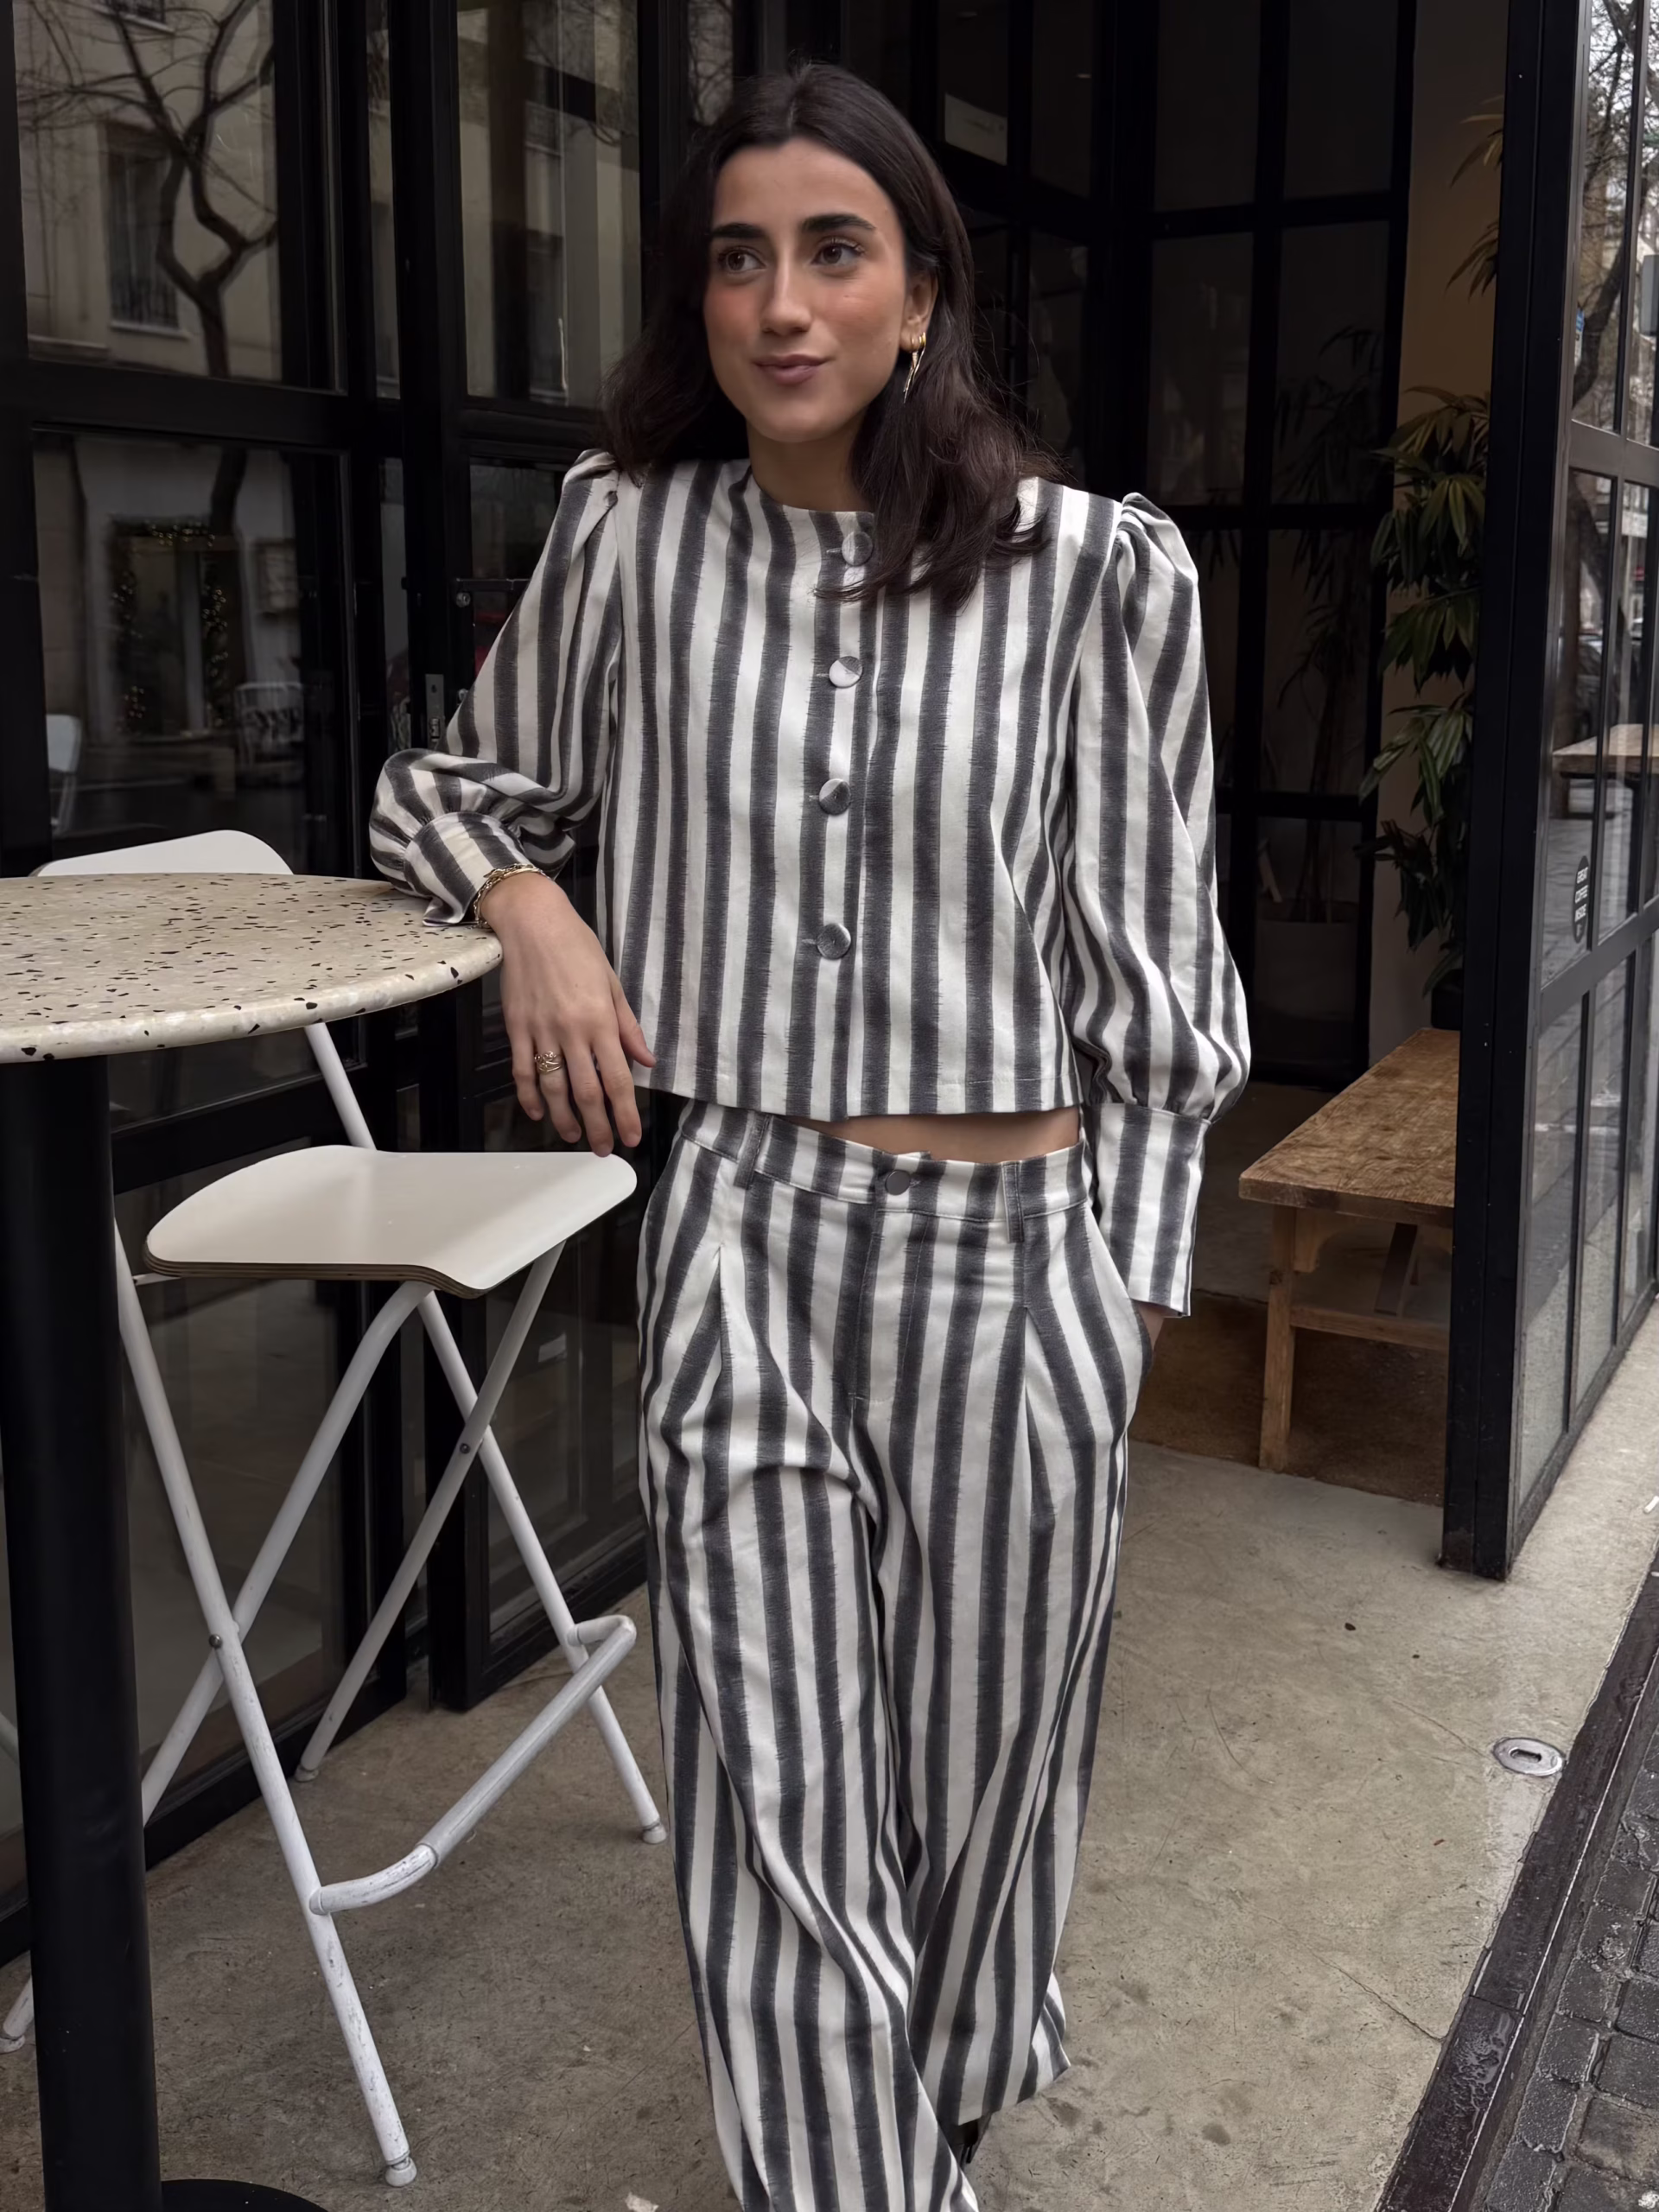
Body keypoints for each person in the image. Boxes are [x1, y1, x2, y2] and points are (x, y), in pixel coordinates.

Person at [371, 62, 1248, 2212]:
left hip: (1020, 1251)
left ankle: (913, 2122)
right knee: (774, 1811)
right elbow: (447, 793)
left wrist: (1125, 1285)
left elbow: (1157, 972)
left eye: (834, 251)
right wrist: (534, 913)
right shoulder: (630, 538)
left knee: (983, 1795)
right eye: (738, 258)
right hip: (749, 1227)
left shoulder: (1094, 575)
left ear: (922, 292)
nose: (781, 303)